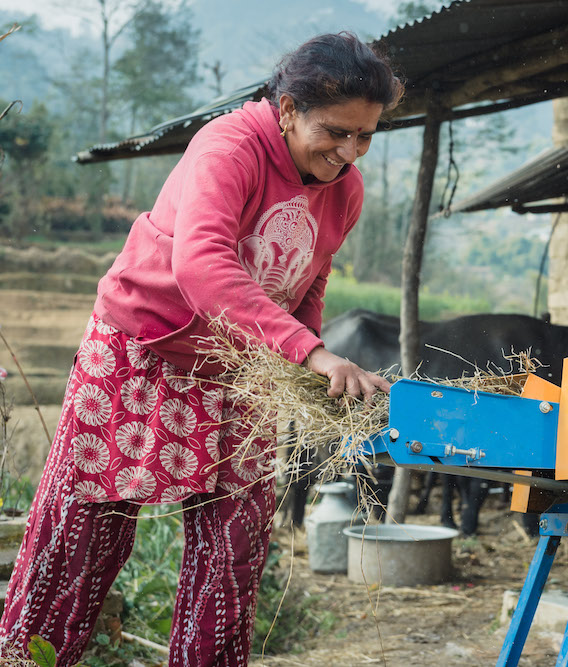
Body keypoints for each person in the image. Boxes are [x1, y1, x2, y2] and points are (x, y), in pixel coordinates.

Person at [0, 32, 402, 666]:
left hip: (243, 371)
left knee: (233, 551)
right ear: (288, 109)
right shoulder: (230, 146)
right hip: (144, 350)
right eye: (335, 132)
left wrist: (303, 363)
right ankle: (26, 659)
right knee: (84, 536)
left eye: (365, 136)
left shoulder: (344, 190)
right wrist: (310, 353)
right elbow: (201, 266)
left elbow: (308, 280)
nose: (349, 152)